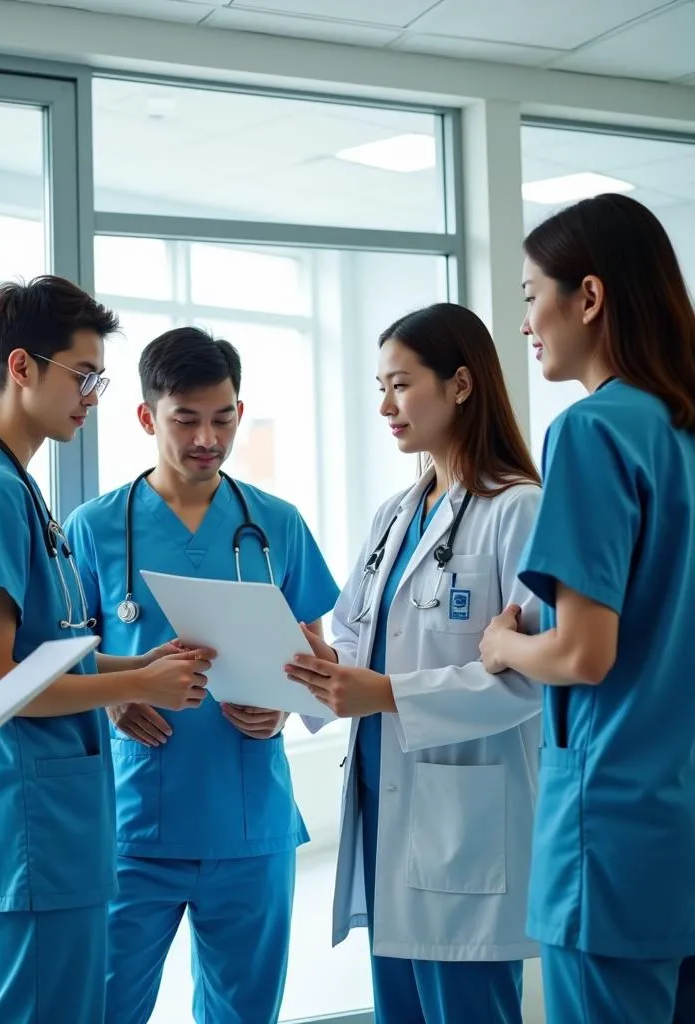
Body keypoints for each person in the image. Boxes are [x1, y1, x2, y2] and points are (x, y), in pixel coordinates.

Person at [0, 279, 214, 1024]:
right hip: (31, 824)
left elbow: (50, 656)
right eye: (82, 375)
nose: (91, 395)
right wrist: (138, 688)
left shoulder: (19, 488)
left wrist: (144, 666)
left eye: (99, 378)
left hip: (56, 827)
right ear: (21, 367)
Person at [63, 326, 339, 1024]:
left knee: (245, 1014)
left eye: (223, 419)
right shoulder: (95, 529)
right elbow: (59, 660)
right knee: (103, 1007)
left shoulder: (275, 523)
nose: (206, 439)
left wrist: (285, 701)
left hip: (249, 821)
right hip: (135, 824)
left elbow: (320, 651)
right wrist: (116, 697)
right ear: (148, 416)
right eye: (186, 420)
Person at [285, 303, 543, 1024]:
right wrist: (303, 669)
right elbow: (355, 640)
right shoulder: (395, 514)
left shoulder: (516, 510)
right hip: (385, 809)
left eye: (400, 385)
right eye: (379, 386)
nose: (384, 406)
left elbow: (531, 676)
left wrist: (388, 693)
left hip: (464, 822)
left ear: (461, 385)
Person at [480, 194, 695, 1024]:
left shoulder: (596, 430)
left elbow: (582, 655)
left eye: (533, 294)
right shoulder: (678, 430)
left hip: (613, 833)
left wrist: (503, 646)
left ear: (590, 298)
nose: (528, 321)